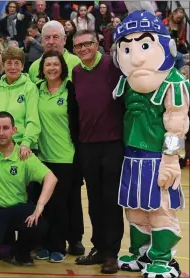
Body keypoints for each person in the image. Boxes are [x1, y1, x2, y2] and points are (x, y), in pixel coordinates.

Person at [112, 3, 188, 278]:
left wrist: (170, 159)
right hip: (132, 156)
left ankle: (162, 257)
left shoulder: (173, 83)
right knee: (135, 208)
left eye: (144, 46)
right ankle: (140, 251)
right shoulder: (126, 82)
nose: (136, 56)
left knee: (160, 209)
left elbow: (177, 125)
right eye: (127, 49)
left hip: (158, 158)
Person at [0, 111, 56, 266]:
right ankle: (3, 244)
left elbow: (51, 178)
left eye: (5, 128)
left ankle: (22, 251)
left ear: (14, 130)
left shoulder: (23, 154)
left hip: (18, 208)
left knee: (39, 225)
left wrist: (39, 206)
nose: (1, 133)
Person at [71, 29, 124, 273]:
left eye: (87, 44)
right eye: (78, 46)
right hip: (87, 146)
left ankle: (112, 253)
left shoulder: (113, 66)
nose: (83, 49)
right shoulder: (77, 72)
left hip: (113, 144)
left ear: (97, 44)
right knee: (93, 201)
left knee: (110, 201)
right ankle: (99, 248)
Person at [33, 50, 80, 263]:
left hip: (65, 157)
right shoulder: (36, 90)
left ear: (62, 67)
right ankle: (43, 244)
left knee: (61, 205)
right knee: (43, 204)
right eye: (47, 65)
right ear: (42, 69)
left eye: (55, 64)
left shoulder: (70, 89)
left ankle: (58, 246)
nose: (52, 68)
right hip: (41, 156)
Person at [0, 47, 40, 161]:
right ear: (3, 65)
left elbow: (33, 119)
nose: (13, 67)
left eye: (17, 63)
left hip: (22, 147)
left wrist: (26, 143)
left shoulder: (30, 88)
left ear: (22, 66)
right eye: (9, 63)